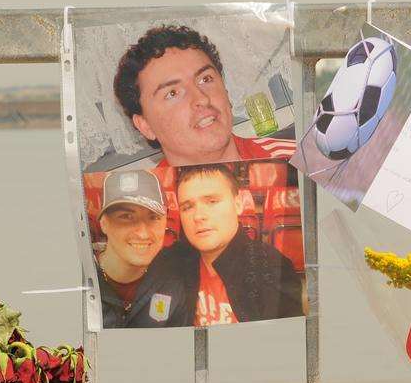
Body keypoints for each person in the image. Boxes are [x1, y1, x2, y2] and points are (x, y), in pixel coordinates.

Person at [113, 25, 296, 168]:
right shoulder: (142, 211)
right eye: (173, 93)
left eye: (205, 79)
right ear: (145, 126)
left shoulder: (299, 164)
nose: (201, 98)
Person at [174, 163, 302, 325]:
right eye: (187, 207)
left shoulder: (274, 269)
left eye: (212, 201)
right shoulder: (171, 263)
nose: (198, 216)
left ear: (238, 204)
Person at [96, 170, 192, 328]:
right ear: (104, 223)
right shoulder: (78, 282)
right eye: (126, 216)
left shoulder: (173, 284)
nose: (142, 233)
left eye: (153, 217)